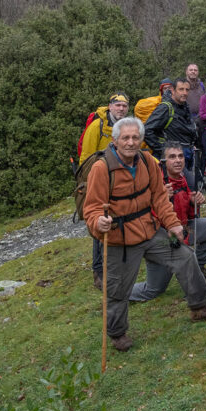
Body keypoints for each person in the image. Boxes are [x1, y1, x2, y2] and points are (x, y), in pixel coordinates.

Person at [84, 118, 206, 352]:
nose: (131, 142)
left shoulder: (147, 161)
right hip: (120, 239)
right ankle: (118, 334)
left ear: (141, 140)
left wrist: (172, 224)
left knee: (185, 256)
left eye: (135, 138)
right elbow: (91, 208)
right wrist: (97, 222)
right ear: (116, 140)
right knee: (117, 288)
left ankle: (200, 307)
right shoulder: (101, 169)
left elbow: (160, 197)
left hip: (152, 231)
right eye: (126, 138)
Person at [130, 143, 206, 302]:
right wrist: (160, 200)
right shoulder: (153, 181)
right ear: (163, 161)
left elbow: (189, 215)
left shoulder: (182, 178)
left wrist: (194, 201)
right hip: (160, 237)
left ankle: (197, 270)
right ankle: (117, 292)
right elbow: (142, 216)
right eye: (172, 157)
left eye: (180, 156)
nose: (178, 160)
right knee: (153, 289)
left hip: (183, 228)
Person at [81, 92, 130, 290]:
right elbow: (86, 157)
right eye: (117, 105)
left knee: (120, 222)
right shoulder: (96, 127)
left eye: (124, 106)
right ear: (109, 107)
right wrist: (88, 184)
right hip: (99, 182)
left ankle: (118, 265)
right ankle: (98, 272)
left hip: (120, 181)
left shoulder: (128, 125)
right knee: (100, 226)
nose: (120, 109)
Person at [144, 77, 200, 190]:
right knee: (191, 187)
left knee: (183, 190)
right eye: (181, 89)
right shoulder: (165, 107)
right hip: (173, 157)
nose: (184, 93)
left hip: (186, 154)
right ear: (173, 90)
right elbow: (146, 130)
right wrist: (163, 150)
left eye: (187, 90)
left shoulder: (184, 106)